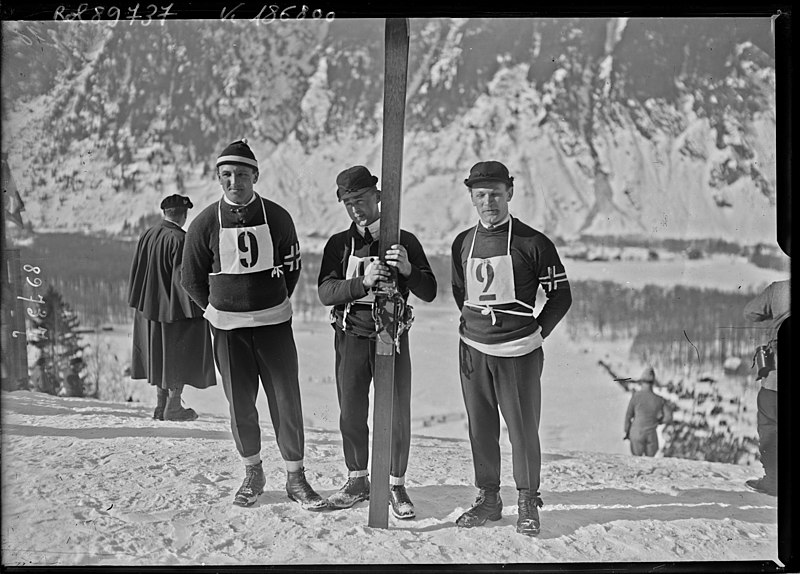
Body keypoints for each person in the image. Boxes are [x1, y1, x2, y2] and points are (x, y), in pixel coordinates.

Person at [181, 139, 327, 510]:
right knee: (241, 404)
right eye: (227, 175)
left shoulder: (277, 216)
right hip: (227, 331)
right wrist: (219, 308)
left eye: (242, 175)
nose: (235, 182)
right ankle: (253, 471)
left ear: (256, 176)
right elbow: (191, 278)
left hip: (273, 324)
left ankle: (296, 475)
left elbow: (292, 267)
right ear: (218, 179)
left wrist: (270, 300)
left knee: (286, 400)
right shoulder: (203, 223)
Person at [451, 161, 572, 537]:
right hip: (473, 350)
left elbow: (561, 296)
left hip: (518, 352)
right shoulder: (463, 242)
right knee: (481, 428)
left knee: (521, 430)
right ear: (472, 198)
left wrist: (536, 332)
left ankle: (526, 500)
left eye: (496, 195)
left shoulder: (532, 243)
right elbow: (461, 292)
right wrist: (478, 327)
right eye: (481, 195)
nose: (489, 202)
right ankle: (489, 498)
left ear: (510, 194)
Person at [317, 165, 437, 519]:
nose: (356, 209)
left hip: (391, 335)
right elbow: (325, 291)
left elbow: (429, 291)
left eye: (361, 200)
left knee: (397, 413)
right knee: (351, 410)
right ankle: (357, 480)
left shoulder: (404, 240)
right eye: (349, 203)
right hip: (352, 334)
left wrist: (409, 271)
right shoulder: (339, 244)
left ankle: (395, 483)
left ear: (378, 196)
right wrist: (360, 283)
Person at [127, 194, 216, 422]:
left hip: (150, 311)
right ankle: (174, 407)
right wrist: (203, 308)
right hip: (175, 312)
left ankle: (161, 406)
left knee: (159, 356)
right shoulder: (181, 239)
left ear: (165, 213)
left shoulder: (148, 234)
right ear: (184, 215)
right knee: (178, 356)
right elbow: (186, 281)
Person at [743, 279, 789, 497]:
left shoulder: (778, 289)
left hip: (775, 383)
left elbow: (750, 313)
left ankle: (773, 481)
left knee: (770, 428)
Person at [623, 365, 673, 457]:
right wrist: (659, 421)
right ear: (653, 382)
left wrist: (627, 431)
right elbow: (669, 416)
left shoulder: (635, 397)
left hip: (636, 433)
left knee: (637, 462)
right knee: (649, 463)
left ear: (642, 381)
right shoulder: (659, 400)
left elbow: (628, 416)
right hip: (651, 436)